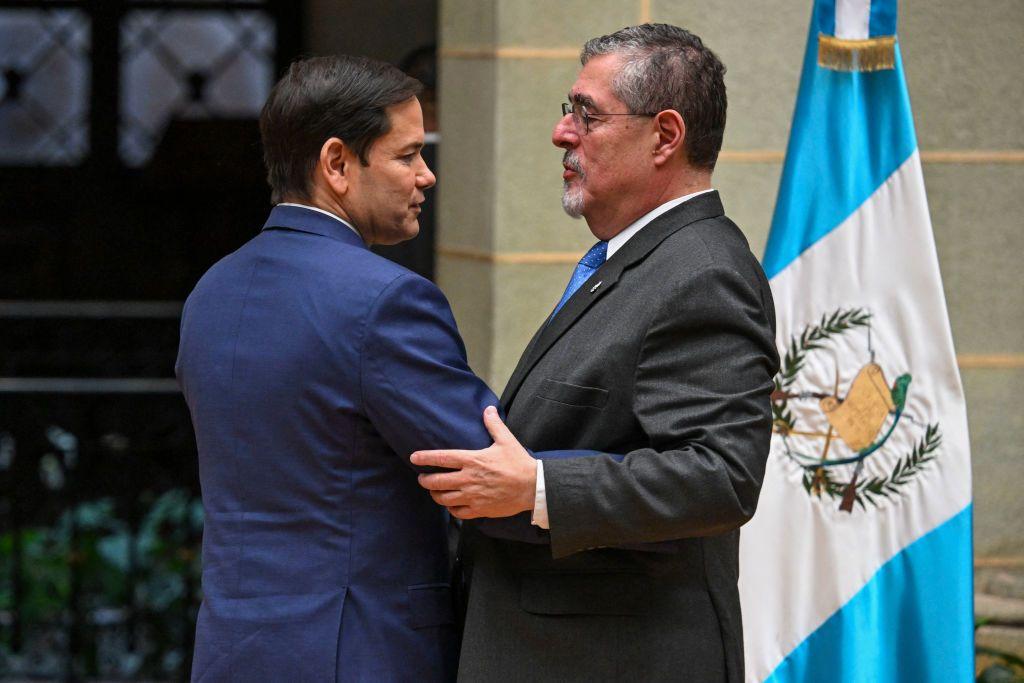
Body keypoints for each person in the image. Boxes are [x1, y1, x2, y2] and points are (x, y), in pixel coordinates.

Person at [413, 24, 780, 682]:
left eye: (587, 114)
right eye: (568, 110)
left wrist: (539, 488)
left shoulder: (702, 271)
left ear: (665, 136)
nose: (562, 133)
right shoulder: (637, 260)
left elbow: (721, 475)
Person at [175, 55, 510, 682]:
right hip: (360, 652)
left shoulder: (210, 293)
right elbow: (493, 470)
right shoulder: (386, 300)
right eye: (407, 155)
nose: (427, 176)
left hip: (231, 651)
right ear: (336, 164)